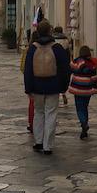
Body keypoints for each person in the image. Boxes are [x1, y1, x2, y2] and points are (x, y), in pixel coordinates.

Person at [23, 19, 70, 155]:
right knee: (51, 114)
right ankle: (47, 145)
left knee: (38, 113)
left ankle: (38, 141)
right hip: (53, 86)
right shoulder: (57, 48)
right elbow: (65, 69)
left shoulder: (32, 48)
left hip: (37, 86)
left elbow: (28, 70)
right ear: (50, 31)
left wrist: (28, 88)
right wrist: (63, 86)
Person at [68, 46, 97, 140]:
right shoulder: (92, 63)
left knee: (79, 108)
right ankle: (85, 125)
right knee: (85, 107)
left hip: (78, 89)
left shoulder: (76, 61)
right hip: (88, 89)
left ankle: (83, 123)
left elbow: (71, 69)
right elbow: (94, 77)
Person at [20, 29, 39, 132]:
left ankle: (31, 123)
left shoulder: (28, 50)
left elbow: (22, 66)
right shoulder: (48, 47)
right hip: (45, 79)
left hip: (32, 79)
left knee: (32, 103)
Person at [52, 26, 71, 106]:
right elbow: (68, 52)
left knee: (55, 79)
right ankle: (63, 93)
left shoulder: (53, 40)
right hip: (64, 63)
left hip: (54, 62)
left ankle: (55, 96)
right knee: (63, 79)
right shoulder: (66, 40)